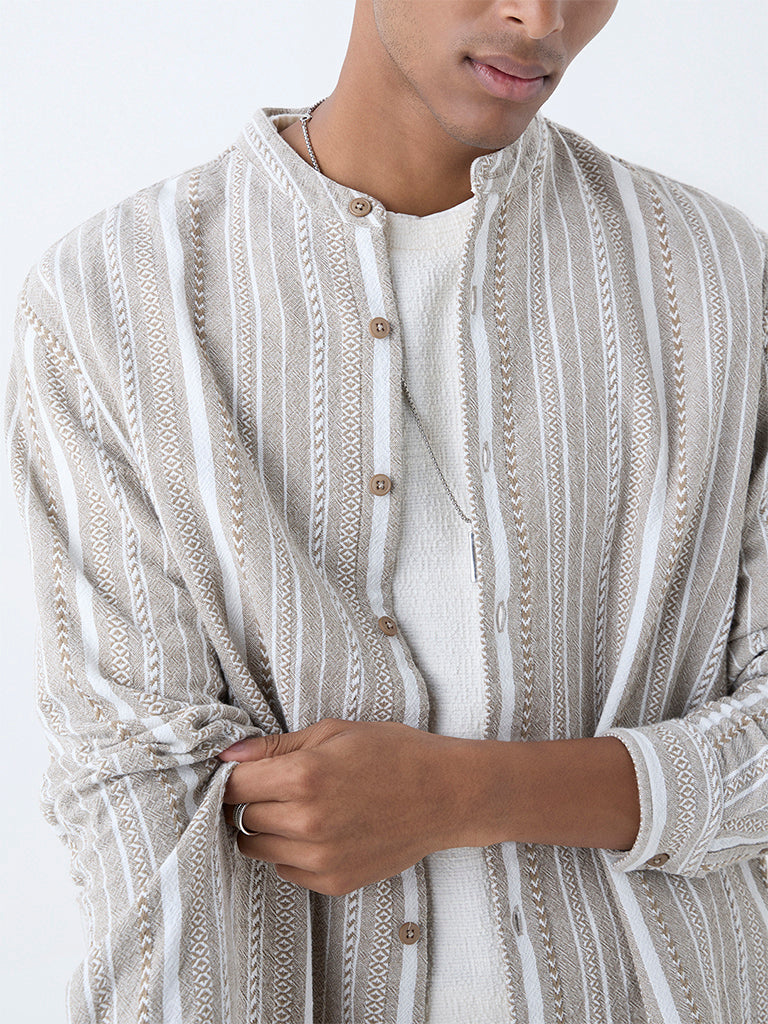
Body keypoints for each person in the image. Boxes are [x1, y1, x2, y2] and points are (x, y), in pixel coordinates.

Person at [4, 0, 767, 1021]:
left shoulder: (717, 280)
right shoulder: (114, 302)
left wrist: (464, 794)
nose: (541, 17)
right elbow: (138, 785)